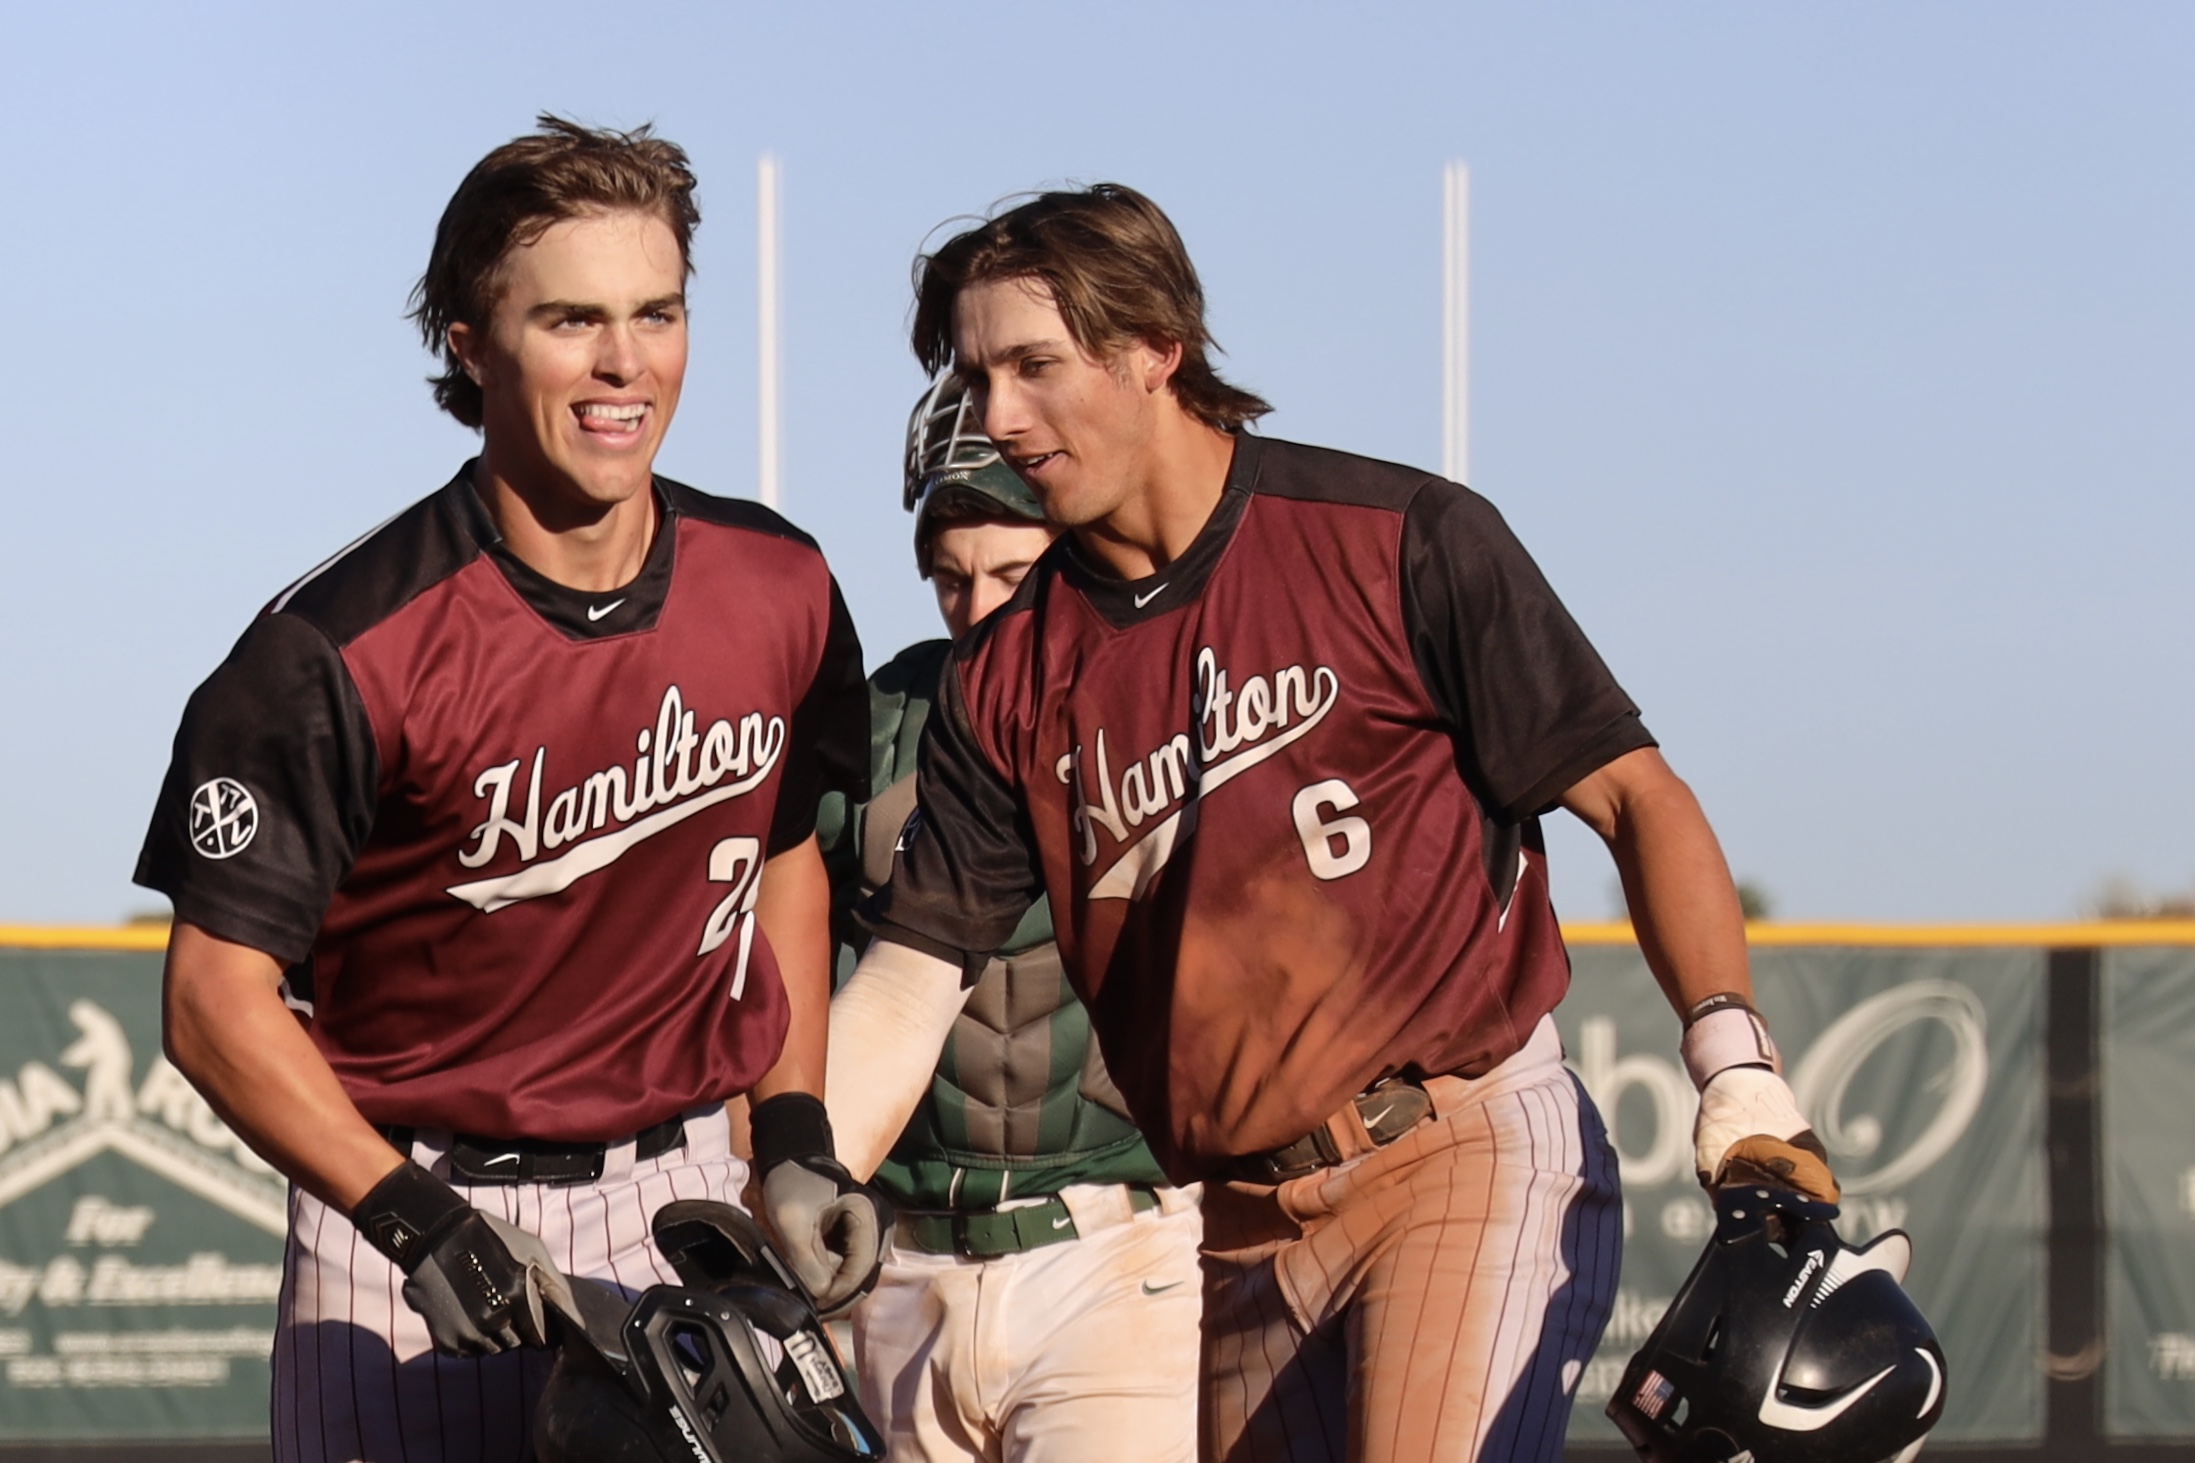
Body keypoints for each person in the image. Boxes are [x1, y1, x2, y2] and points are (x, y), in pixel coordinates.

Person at [824, 184, 1839, 1463]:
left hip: (1452, 1143)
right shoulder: (1006, 673)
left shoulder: (1395, 537)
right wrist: (808, 1169)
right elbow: (912, 979)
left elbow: (1633, 793)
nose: (999, 415)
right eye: (976, 376)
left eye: (1034, 364)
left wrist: (1733, 1063)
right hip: (1237, 1216)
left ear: (1153, 346)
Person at [133, 117, 887, 1463]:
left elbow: (780, 852)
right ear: (468, 343)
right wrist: (406, 1217)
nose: (625, 363)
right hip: (405, 1206)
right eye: (571, 319)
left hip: (678, 1189)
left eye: (656, 312)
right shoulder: (335, 647)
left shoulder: (777, 583)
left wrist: (791, 1129)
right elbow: (211, 995)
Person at [816, 378, 1200, 1461]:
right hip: (904, 1271)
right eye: (950, 577)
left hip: (1113, 1255)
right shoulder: (877, 725)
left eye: (1011, 572)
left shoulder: (1165, 711)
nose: (978, 606)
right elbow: (784, 980)